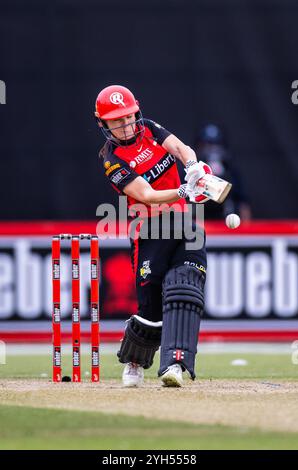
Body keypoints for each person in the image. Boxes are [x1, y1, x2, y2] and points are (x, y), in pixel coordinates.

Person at [95, 85, 211, 387]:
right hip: (149, 231)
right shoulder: (112, 159)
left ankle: (175, 363)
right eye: (116, 121)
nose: (125, 125)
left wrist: (193, 167)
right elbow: (146, 194)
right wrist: (185, 190)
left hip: (184, 223)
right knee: (151, 307)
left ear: (137, 111)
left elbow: (181, 149)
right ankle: (134, 361)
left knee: (186, 285)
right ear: (103, 124)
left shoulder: (148, 129)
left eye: (129, 117)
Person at [195, 123, 252, 220]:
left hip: (226, 222)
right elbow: (182, 202)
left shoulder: (231, 171)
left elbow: (243, 203)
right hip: (199, 223)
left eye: (215, 144)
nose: (212, 149)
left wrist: (246, 231)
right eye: (207, 145)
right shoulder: (192, 170)